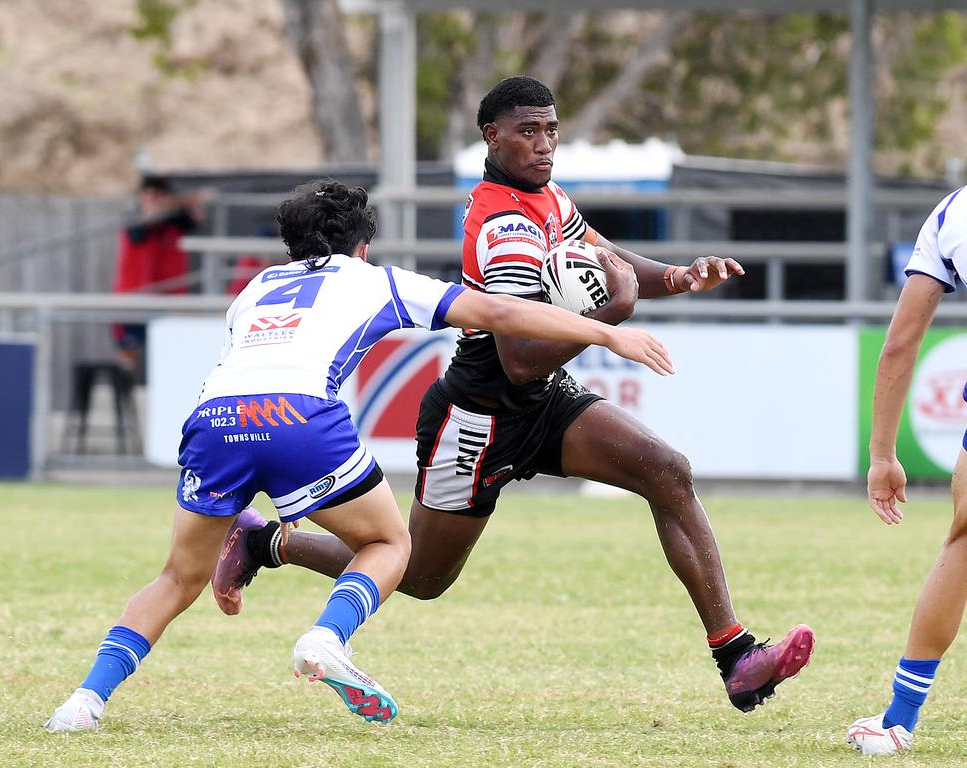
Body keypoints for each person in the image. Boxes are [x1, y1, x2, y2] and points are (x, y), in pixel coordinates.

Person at [212, 76, 814, 713]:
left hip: (543, 400)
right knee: (420, 576)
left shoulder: (546, 196)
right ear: (491, 136)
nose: (544, 143)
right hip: (477, 416)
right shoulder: (499, 223)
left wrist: (679, 276)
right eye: (528, 131)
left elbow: (606, 259)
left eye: (551, 130)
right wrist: (614, 315)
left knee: (667, 471)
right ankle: (264, 542)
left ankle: (737, 656)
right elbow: (518, 359)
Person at [44, 178, 675, 733]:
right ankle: (326, 637)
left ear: (291, 244)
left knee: (177, 576)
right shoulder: (377, 281)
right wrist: (606, 331)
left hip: (213, 421)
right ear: (363, 245)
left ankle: (82, 703)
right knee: (389, 545)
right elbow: (499, 310)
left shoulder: (256, 288)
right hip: (298, 418)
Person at [847, 185, 967, 756]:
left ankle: (899, 719)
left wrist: (881, 454)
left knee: (964, 543)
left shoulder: (954, 213)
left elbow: (900, 343)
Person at [112, 175, 211, 377]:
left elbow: (195, 217)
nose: (153, 200)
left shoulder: (174, 223)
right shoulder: (134, 220)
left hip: (170, 300)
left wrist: (186, 204)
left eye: (158, 195)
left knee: (172, 360)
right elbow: (145, 222)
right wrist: (185, 200)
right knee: (128, 358)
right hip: (133, 300)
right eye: (148, 195)